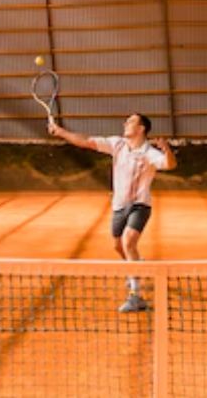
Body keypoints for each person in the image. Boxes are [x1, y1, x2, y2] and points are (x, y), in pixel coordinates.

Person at [48, 113, 177, 312]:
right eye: (126, 121)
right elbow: (85, 142)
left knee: (128, 242)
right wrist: (60, 132)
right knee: (118, 246)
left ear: (142, 128)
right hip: (118, 206)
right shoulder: (117, 144)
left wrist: (166, 150)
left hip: (139, 205)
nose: (125, 124)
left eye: (131, 121)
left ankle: (136, 297)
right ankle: (136, 266)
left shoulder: (149, 153)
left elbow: (170, 164)